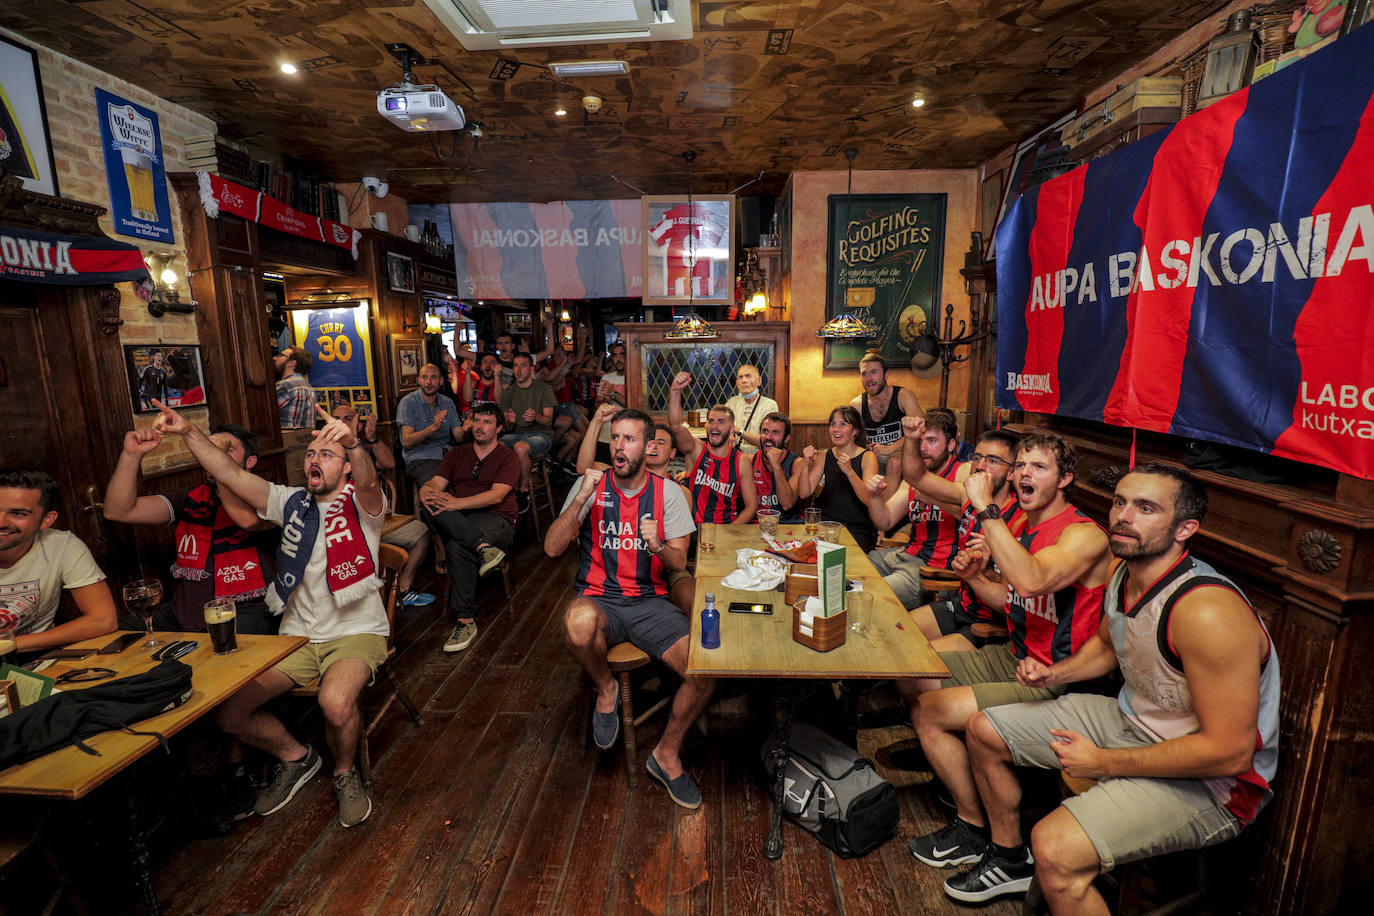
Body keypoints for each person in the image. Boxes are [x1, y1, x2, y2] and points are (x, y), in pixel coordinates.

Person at [942, 465, 1281, 909]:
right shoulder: (1125, 572)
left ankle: (1051, 869)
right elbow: (1108, 644)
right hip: (1130, 721)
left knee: (1055, 847)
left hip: (1213, 782)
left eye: (1146, 508)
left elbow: (1230, 752)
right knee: (985, 729)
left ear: (1185, 528)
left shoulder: (1206, 611)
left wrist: (1103, 761)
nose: (1124, 516)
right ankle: (1008, 859)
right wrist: (1055, 675)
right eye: (1120, 502)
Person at [153, 400, 387, 829]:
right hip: (296, 636)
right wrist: (187, 432)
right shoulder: (290, 502)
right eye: (311, 454)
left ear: (346, 468)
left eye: (327, 454)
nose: (315, 459)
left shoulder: (364, 504)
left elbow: (370, 479)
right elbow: (230, 474)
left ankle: (345, 772)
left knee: (334, 703)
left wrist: (353, 443)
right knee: (226, 712)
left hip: (356, 631)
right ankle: (297, 758)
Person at [906, 432, 1111, 885]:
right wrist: (976, 577)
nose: (1023, 474)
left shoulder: (1084, 535)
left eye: (1038, 467)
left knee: (932, 711)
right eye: (1020, 465)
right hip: (1015, 655)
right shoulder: (1021, 527)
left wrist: (985, 510)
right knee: (914, 671)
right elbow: (1013, 599)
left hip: (1060, 677)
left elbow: (1034, 581)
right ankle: (965, 796)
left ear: (1065, 480)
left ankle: (986, 836)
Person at [544, 409, 712, 809]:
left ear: (649, 446)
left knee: (705, 669)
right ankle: (606, 687)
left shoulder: (668, 493)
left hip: (649, 603)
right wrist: (581, 497)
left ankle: (665, 755)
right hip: (599, 599)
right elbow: (551, 548)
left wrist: (658, 545)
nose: (619, 446)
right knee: (577, 621)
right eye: (615, 438)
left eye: (629, 439)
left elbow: (677, 563)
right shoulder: (593, 486)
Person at [103, 423, 280, 635]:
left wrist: (219, 467)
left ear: (250, 461)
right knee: (121, 635)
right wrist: (131, 455)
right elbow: (118, 511)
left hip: (248, 608)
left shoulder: (270, 498)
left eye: (226, 450)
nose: (212, 456)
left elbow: (248, 520)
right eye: (209, 449)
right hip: (187, 613)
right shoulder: (190, 499)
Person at [902, 420, 1024, 647]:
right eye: (977, 458)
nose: (981, 466)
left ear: (1011, 472)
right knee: (897, 634)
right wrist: (910, 439)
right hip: (962, 604)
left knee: (918, 659)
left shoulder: (1020, 519)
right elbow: (915, 476)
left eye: (993, 461)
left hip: (992, 625)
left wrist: (988, 567)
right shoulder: (966, 497)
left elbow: (1012, 599)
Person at [420, 403, 519, 654]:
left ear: (498, 428)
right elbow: (437, 482)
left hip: (497, 519)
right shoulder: (457, 454)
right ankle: (482, 548)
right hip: (460, 517)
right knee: (428, 506)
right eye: (477, 421)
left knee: (456, 543)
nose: (480, 426)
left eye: (487, 422)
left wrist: (456, 502)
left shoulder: (507, 457)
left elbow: (497, 496)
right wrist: (427, 490)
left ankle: (465, 621)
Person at [578, 403, 695, 614]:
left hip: (664, 566)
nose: (656, 447)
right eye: (653, 442)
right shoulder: (614, 474)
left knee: (691, 598)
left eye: (662, 443)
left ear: (672, 453)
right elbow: (584, 469)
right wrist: (596, 422)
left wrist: (657, 546)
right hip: (616, 569)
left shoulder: (678, 492)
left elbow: (678, 558)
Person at [0, 468, 116, 653]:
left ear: (46, 520)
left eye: (18, 514)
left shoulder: (60, 545)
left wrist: (10, 644)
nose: (1, 521)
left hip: (31, 656)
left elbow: (103, 620)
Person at [330, 403, 433, 608]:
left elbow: (389, 464)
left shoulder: (364, 447)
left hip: (375, 520)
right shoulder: (325, 450)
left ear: (357, 423)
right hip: (343, 527)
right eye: (337, 419)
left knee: (421, 533)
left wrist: (372, 438)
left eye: (347, 419)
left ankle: (403, 588)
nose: (341, 423)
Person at [863, 408, 964, 609]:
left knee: (869, 595)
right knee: (849, 570)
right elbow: (885, 521)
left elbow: (977, 517)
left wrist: (935, 499)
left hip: (932, 570)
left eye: (932, 441)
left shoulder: (963, 471)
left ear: (951, 444)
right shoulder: (912, 479)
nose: (923, 448)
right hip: (904, 554)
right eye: (920, 441)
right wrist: (874, 497)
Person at [667, 371, 758, 525]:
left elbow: (751, 506)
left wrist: (729, 532)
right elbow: (676, 426)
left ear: (731, 430)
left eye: (721, 422)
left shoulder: (740, 461)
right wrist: (675, 391)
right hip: (694, 529)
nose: (715, 426)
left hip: (726, 528)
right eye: (711, 421)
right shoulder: (697, 449)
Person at [798, 405, 880, 552]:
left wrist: (849, 472)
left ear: (855, 431)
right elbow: (804, 492)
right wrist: (805, 464)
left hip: (857, 530)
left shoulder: (867, 457)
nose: (836, 429)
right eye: (833, 424)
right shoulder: (824, 456)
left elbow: (870, 500)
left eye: (843, 424)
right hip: (826, 527)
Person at [499, 352, 557, 513]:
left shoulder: (544, 389)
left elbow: (549, 421)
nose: (518, 369)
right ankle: (503, 488)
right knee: (498, 445)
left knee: (520, 447)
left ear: (531, 369)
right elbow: (508, 429)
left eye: (523, 365)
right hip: (516, 433)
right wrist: (509, 422)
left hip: (541, 435)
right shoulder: (508, 392)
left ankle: (523, 491)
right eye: (515, 365)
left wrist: (536, 416)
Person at [849, 352, 924, 469]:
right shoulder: (856, 405)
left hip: (902, 460)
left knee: (894, 464)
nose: (869, 378)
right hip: (871, 462)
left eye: (874, 372)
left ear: (886, 375)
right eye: (864, 374)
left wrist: (890, 448)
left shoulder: (903, 396)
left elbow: (922, 430)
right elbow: (851, 439)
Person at [397, 363, 462, 487]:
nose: (429, 382)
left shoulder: (447, 403)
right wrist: (433, 428)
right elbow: (406, 440)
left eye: (433, 377)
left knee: (471, 479)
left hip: (447, 455)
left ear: (441, 381)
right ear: (419, 381)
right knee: (437, 490)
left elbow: (459, 436)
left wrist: (468, 428)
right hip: (421, 457)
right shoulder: (408, 403)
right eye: (424, 377)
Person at [752, 412, 803, 524]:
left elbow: (787, 504)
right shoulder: (751, 460)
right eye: (765, 431)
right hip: (756, 526)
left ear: (786, 438)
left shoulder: (797, 463)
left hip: (788, 525)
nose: (768, 437)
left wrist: (776, 465)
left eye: (776, 433)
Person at [723, 364, 779, 454]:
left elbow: (767, 442)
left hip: (759, 458)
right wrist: (730, 434)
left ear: (759, 381)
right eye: (741, 377)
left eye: (748, 376)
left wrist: (738, 431)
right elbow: (713, 423)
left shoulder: (770, 405)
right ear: (737, 384)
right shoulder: (731, 403)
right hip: (735, 457)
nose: (744, 380)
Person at [274, 346, 315, 429]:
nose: (274, 358)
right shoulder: (309, 387)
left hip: (285, 440)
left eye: (280, 355)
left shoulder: (285, 385)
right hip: (303, 440)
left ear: (291, 363)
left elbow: (263, 415)